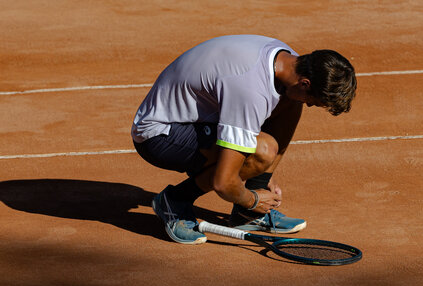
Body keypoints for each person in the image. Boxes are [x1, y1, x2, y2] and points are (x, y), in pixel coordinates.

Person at [131, 35, 357, 244]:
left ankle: (246, 216)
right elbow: (224, 183)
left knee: (290, 103)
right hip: (159, 135)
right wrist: (252, 199)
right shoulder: (249, 90)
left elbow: (289, 100)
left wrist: (260, 176)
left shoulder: (289, 61)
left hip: (199, 118)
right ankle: (175, 200)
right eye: (313, 101)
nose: (309, 105)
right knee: (262, 151)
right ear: (306, 83)